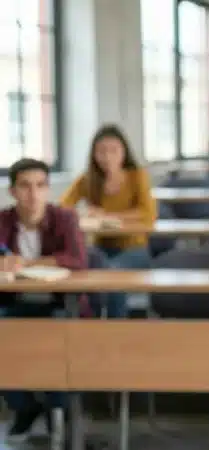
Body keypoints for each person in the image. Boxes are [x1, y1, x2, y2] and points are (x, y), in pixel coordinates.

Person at [0, 158, 87, 445]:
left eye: (40, 186)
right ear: (12, 192)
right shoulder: (2, 221)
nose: (33, 194)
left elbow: (76, 259)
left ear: (48, 190)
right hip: (14, 303)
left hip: (60, 303)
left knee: (63, 336)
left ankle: (57, 410)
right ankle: (24, 406)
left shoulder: (65, 218)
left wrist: (27, 262)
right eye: (24, 186)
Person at [60, 125, 156, 318]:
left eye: (114, 150)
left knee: (112, 276)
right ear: (94, 154)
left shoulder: (137, 176)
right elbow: (62, 208)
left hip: (134, 249)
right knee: (85, 274)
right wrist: (83, 213)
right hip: (100, 248)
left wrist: (106, 215)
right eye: (101, 151)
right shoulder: (88, 179)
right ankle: (91, 325)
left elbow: (148, 213)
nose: (107, 157)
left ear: (124, 152)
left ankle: (116, 329)